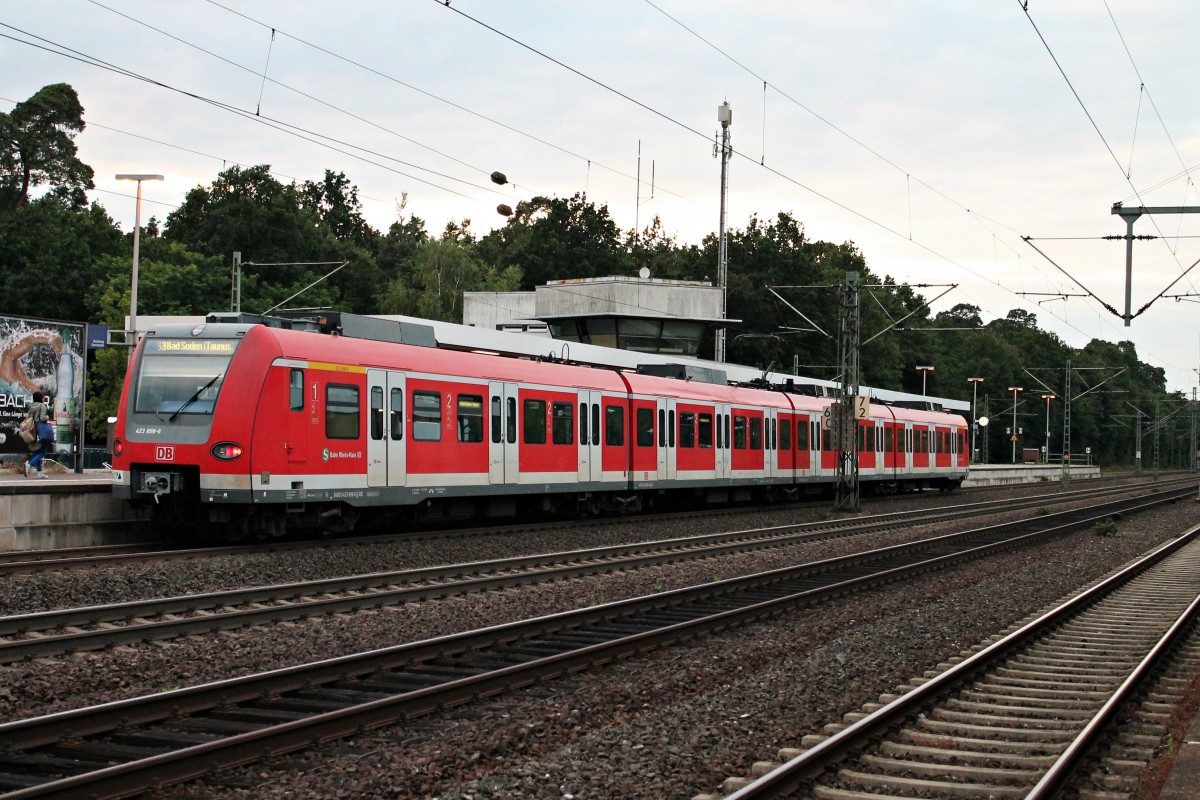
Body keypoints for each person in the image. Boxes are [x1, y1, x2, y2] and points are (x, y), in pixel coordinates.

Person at [24, 391, 52, 479]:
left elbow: (28, 418)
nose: (44, 399)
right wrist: (47, 417)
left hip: (33, 431)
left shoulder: (31, 406)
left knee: (37, 452)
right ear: (40, 398)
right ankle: (29, 465)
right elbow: (43, 418)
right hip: (41, 431)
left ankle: (39, 473)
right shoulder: (42, 406)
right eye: (43, 397)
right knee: (42, 452)